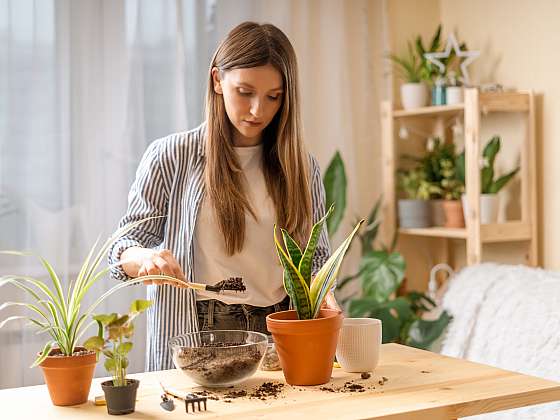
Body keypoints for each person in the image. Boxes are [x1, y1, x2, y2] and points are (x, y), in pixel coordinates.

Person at [108, 21, 340, 372]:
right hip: (201, 332)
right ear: (217, 80)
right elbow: (122, 246)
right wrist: (146, 259)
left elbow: (317, 255)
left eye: (273, 97)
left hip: (280, 331)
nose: (257, 110)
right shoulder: (172, 155)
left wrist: (326, 300)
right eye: (245, 92)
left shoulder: (300, 167)